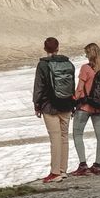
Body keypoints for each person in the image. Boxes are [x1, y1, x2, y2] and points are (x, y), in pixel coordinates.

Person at [33, 37, 75, 183]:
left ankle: (55, 172)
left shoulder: (43, 65)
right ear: (58, 47)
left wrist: (36, 104)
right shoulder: (68, 63)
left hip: (49, 106)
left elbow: (39, 86)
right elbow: (72, 86)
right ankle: (63, 170)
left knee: (55, 138)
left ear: (45, 48)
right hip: (67, 104)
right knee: (64, 137)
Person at [70, 43, 100, 175]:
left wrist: (74, 101)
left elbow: (80, 88)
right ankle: (97, 165)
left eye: (86, 53)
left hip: (85, 107)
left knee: (78, 134)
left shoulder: (85, 68)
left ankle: (82, 165)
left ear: (89, 54)